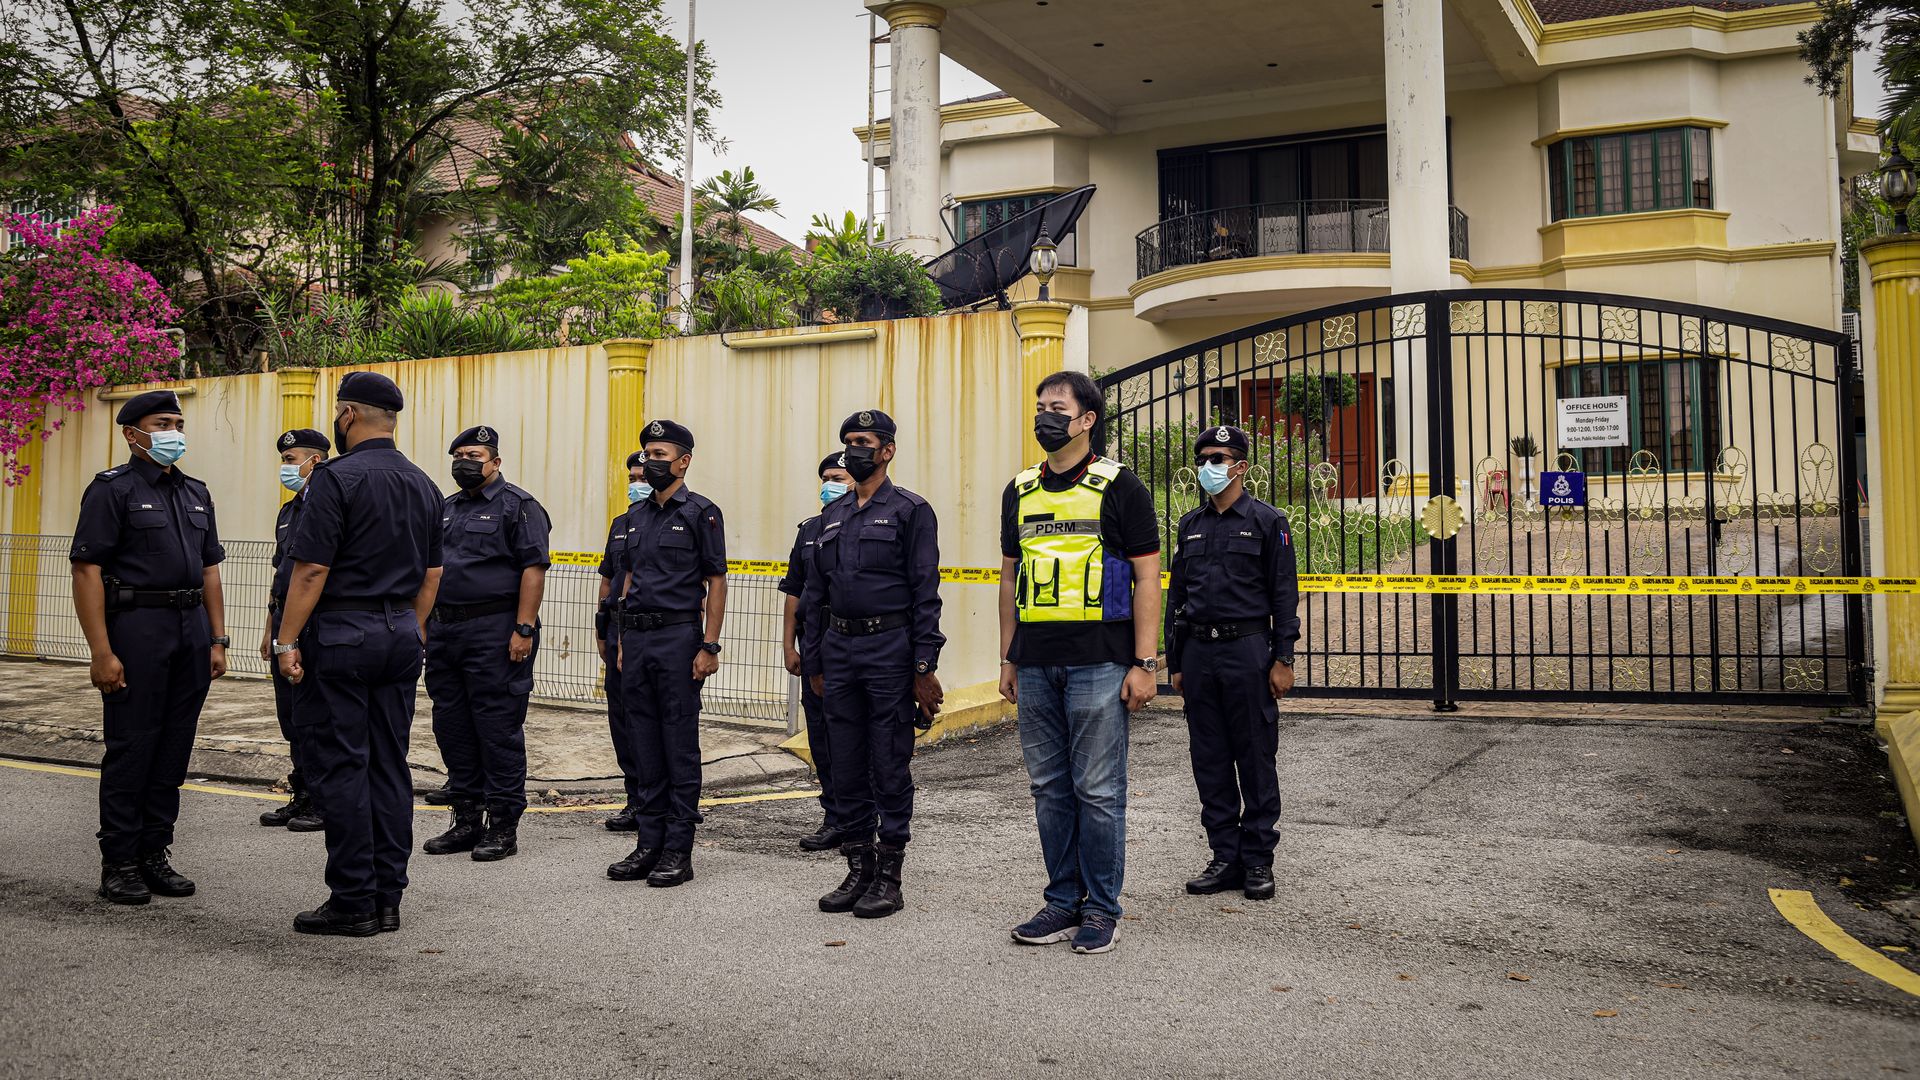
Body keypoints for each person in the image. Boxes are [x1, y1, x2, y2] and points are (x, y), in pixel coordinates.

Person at [998, 370, 1162, 955]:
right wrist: (1008, 656)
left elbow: (1148, 576)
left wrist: (1145, 662)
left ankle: (1101, 909)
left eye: (1058, 408)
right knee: (1048, 788)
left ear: (1087, 420)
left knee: (1096, 790)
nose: (1046, 416)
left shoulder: (1120, 486)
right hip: (1037, 660)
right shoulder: (1019, 489)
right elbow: (1010, 577)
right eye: (1041, 406)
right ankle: (1062, 901)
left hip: (1100, 661)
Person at [274, 371, 444, 937]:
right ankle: (388, 895)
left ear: (347, 416)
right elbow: (433, 571)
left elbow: (312, 569)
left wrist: (287, 640)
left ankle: (352, 898)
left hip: (343, 632)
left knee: (345, 763)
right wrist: (409, 625)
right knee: (389, 763)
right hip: (399, 631)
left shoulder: (335, 479)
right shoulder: (422, 483)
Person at [69, 389, 230, 905]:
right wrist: (101, 651)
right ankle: (119, 860)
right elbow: (86, 570)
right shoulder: (110, 491)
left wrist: (217, 637)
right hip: (137, 628)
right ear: (131, 433)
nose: (173, 433)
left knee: (174, 746)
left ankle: (154, 852)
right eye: (163, 423)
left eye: (178, 423)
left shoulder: (196, 492)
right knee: (134, 744)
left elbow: (209, 570)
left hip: (190, 630)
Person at [801, 410, 944, 919]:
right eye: (847, 442)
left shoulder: (910, 511)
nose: (853, 450)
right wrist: (815, 659)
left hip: (889, 650)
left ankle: (889, 875)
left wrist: (923, 666)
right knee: (844, 762)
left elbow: (926, 592)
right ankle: (857, 867)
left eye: (863, 442)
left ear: (887, 450)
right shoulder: (832, 516)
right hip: (839, 651)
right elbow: (815, 594)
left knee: (888, 762)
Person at [1164, 424, 1300, 902]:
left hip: (1247, 651)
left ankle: (1258, 860)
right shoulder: (1190, 524)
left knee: (1255, 758)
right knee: (1211, 759)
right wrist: (1175, 661)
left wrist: (1282, 657)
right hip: (1200, 655)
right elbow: (1177, 594)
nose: (1209, 467)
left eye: (1219, 459)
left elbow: (1284, 595)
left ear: (1241, 466)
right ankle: (1224, 857)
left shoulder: (1268, 521)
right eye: (1204, 458)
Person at [420, 425, 552, 863]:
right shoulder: (445, 507)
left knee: (496, 730)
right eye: (458, 454)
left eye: (474, 454)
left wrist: (524, 628)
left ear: (495, 461)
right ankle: (465, 821)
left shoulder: (519, 506)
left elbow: (533, 569)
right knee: (452, 728)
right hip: (445, 632)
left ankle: (502, 825)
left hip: (494, 631)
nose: (464, 462)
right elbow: (429, 568)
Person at [604, 420, 727, 888]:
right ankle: (648, 843)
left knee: (677, 744)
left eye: (660, 454)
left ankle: (678, 848)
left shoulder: (701, 513)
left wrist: (709, 644)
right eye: (647, 454)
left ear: (683, 461)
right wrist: (619, 643)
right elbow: (626, 582)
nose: (651, 462)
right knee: (643, 743)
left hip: (678, 639)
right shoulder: (634, 519)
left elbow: (716, 580)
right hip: (635, 641)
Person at [780, 453, 859, 852]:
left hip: (854, 645)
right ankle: (834, 816)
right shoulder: (809, 530)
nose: (831, 484)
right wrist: (788, 644)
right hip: (814, 645)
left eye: (839, 478)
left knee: (856, 737)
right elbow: (795, 590)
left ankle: (862, 819)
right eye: (826, 478)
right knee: (822, 739)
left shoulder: (864, 523)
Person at [259, 428, 330, 832]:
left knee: (314, 716)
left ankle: (322, 799)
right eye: (284, 460)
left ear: (314, 461)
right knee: (290, 716)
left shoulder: (330, 506)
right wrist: (272, 626)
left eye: (291, 460)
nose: (285, 468)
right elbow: (281, 573)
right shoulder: (288, 512)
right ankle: (301, 792)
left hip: (314, 626)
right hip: (284, 622)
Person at [598, 450, 649, 832]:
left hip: (654, 635)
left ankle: (654, 801)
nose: (637, 485)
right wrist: (601, 629)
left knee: (649, 721)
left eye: (642, 477)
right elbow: (607, 579)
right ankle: (634, 798)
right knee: (622, 721)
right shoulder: (620, 524)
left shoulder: (688, 516)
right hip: (618, 632)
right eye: (632, 479)